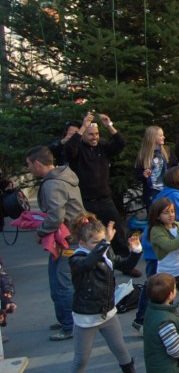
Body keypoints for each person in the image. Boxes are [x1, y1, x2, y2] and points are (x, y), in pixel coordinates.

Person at [66, 213, 144, 373]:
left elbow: (124, 265)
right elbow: (89, 263)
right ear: (82, 243)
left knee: (120, 349)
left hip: (107, 314)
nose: (101, 245)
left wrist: (136, 251)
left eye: (101, 241)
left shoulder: (105, 251)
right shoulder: (76, 259)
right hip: (86, 318)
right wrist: (106, 242)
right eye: (95, 242)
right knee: (81, 359)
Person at [25, 145, 85, 341]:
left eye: (29, 165)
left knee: (61, 283)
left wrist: (40, 232)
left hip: (67, 240)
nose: (29, 169)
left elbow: (55, 217)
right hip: (73, 237)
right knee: (61, 280)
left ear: (37, 163)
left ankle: (69, 325)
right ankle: (66, 319)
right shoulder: (64, 177)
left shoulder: (52, 184)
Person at [64, 112, 132, 261]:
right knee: (89, 235)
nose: (94, 137)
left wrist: (109, 125)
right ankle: (93, 262)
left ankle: (125, 262)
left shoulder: (102, 147)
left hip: (105, 200)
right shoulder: (78, 150)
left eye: (96, 134)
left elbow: (120, 143)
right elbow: (69, 148)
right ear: (83, 135)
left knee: (117, 233)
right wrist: (83, 127)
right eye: (91, 134)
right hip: (86, 202)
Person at [148, 198, 179, 341]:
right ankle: (169, 331)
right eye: (166, 212)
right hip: (167, 273)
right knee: (166, 305)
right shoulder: (156, 231)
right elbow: (169, 245)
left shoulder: (178, 225)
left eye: (172, 211)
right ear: (157, 216)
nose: (171, 215)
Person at [135, 126, 177, 211]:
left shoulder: (167, 151)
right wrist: (144, 175)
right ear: (152, 138)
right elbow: (137, 175)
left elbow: (175, 167)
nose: (163, 137)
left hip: (167, 190)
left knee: (168, 212)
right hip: (152, 192)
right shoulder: (143, 154)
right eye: (160, 135)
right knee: (154, 214)